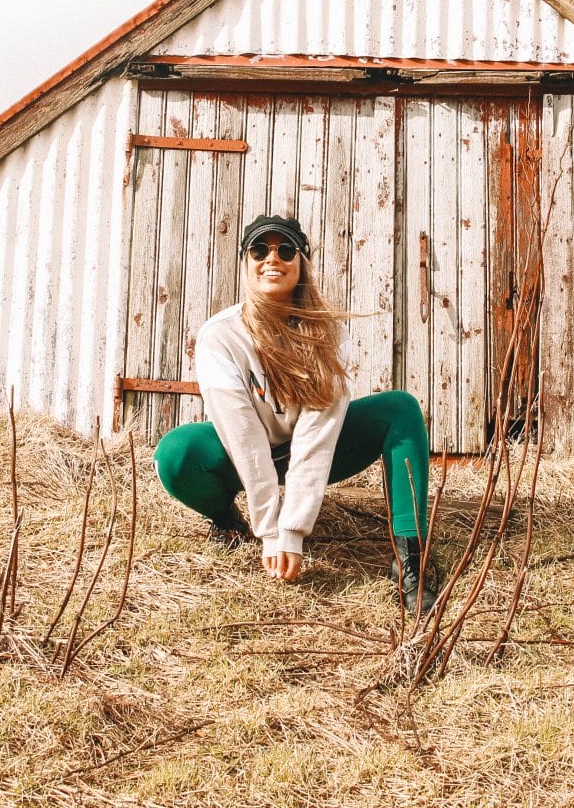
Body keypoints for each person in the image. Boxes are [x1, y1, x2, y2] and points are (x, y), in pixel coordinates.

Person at [153, 214, 437, 616]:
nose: (273, 258)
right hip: (249, 454)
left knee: (399, 408)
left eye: (286, 250)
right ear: (245, 262)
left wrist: (294, 529)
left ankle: (412, 556)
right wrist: (271, 529)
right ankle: (227, 519)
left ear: (301, 262)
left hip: (315, 448)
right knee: (176, 454)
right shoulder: (219, 336)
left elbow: (317, 434)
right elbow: (244, 437)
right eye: (259, 250)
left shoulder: (328, 335)